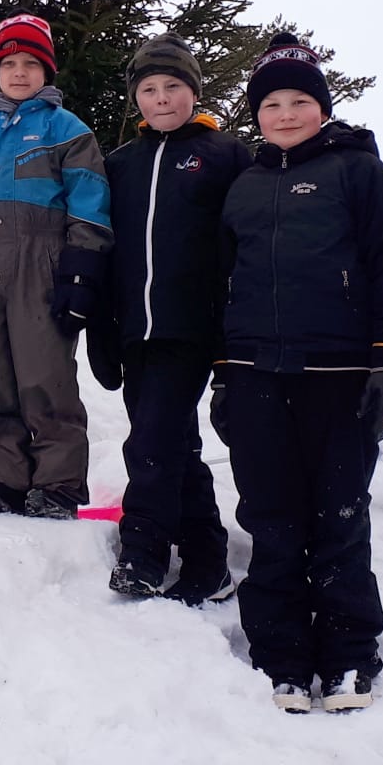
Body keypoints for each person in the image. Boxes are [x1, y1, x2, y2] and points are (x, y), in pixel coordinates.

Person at [213, 31, 383, 712]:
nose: (285, 114)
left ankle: (350, 655)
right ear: (256, 113)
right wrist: (224, 374)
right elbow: (222, 284)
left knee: (338, 514)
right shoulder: (244, 186)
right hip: (255, 372)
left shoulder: (359, 173)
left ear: (323, 107)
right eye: (271, 103)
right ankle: (281, 656)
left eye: (299, 101)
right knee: (271, 516)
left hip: (341, 373)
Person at [0, 12, 113, 519]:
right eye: (9, 64)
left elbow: (89, 204)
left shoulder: (67, 131)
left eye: (31, 63)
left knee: (44, 375)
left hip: (42, 266)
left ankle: (58, 483)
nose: (20, 72)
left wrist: (80, 270)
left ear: (46, 70)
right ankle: (1, 477)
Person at [87, 34, 251, 602]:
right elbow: (107, 250)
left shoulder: (225, 156)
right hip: (137, 331)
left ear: (194, 92)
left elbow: (242, 247)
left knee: (151, 443)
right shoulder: (120, 164)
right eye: (149, 89)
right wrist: (103, 330)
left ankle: (144, 552)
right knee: (175, 444)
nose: (161, 98)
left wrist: (232, 335)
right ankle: (208, 559)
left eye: (173, 87)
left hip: (192, 327)